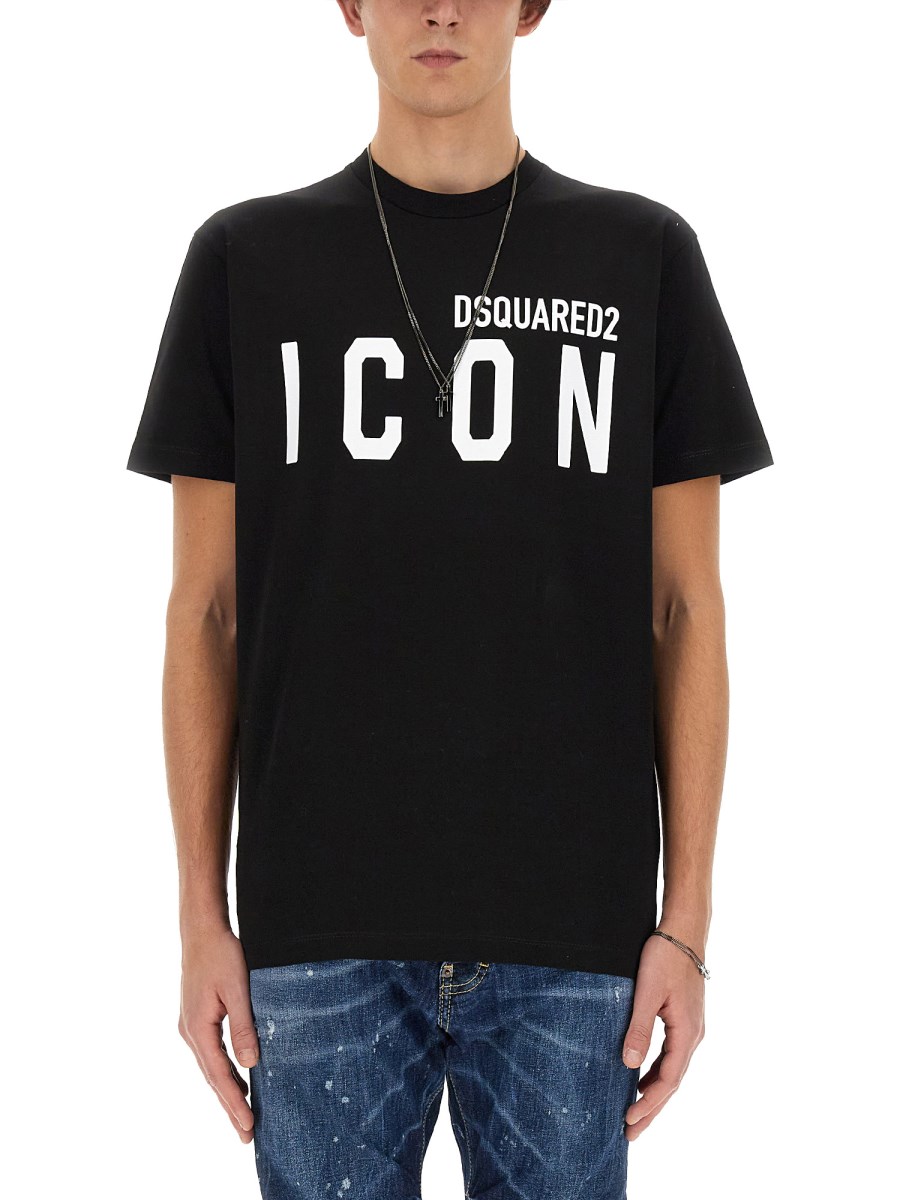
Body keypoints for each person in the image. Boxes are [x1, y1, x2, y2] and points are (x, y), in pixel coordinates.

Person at [126, 2, 774, 1196]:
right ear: (350, 7)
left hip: (574, 933)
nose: (440, 9)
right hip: (313, 928)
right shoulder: (244, 261)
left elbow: (686, 607)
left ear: (531, 8)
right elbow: (204, 612)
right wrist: (197, 918)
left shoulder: (641, 257)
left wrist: (686, 924)